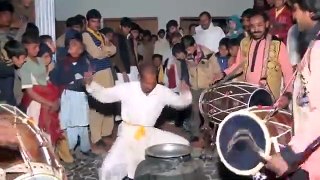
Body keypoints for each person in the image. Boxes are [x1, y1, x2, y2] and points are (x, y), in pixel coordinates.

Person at [84, 62, 192, 180]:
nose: (150, 87)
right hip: (128, 134)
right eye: (146, 83)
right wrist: (91, 85)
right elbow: (105, 95)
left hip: (149, 134)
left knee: (182, 145)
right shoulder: (128, 88)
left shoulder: (162, 91)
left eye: (153, 83)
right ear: (139, 78)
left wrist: (186, 93)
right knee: (109, 168)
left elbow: (180, 102)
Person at [265, 0, 320, 179]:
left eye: (295, 10)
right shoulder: (314, 44)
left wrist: (288, 156)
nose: (293, 16)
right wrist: (289, 97)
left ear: (312, 12)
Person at [215, 10, 293, 104]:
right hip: (248, 94)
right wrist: (223, 74)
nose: (255, 29)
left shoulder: (277, 45)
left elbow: (288, 72)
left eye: (259, 25)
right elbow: (238, 66)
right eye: (252, 26)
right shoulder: (245, 43)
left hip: (269, 96)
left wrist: (288, 94)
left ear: (267, 24)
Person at [51, 29, 93, 158]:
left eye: (75, 46)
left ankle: (85, 148)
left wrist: (85, 80)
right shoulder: (62, 63)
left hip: (80, 97)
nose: (72, 48)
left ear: (80, 50)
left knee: (83, 124)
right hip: (67, 97)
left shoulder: (85, 62)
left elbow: (88, 80)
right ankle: (69, 149)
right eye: (70, 45)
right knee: (70, 125)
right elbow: (55, 80)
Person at [82, 9, 117, 154]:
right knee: (97, 104)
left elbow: (114, 50)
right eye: (94, 21)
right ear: (88, 21)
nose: (96, 23)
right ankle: (96, 137)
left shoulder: (101, 35)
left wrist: (105, 48)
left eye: (98, 21)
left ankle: (106, 132)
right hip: (96, 74)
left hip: (107, 71)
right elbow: (95, 54)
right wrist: (105, 48)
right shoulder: (85, 35)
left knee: (109, 102)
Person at [179, 35, 221, 142]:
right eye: (186, 49)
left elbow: (217, 71)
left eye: (189, 48)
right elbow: (186, 70)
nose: (188, 51)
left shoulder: (208, 53)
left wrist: (215, 82)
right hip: (195, 87)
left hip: (208, 86)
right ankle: (195, 134)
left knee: (207, 111)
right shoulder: (187, 56)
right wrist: (186, 82)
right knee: (195, 110)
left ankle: (208, 132)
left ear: (194, 45)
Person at [0, 40, 27, 106]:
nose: (25, 60)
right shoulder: (7, 70)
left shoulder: (9, 68)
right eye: (23, 58)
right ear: (14, 58)